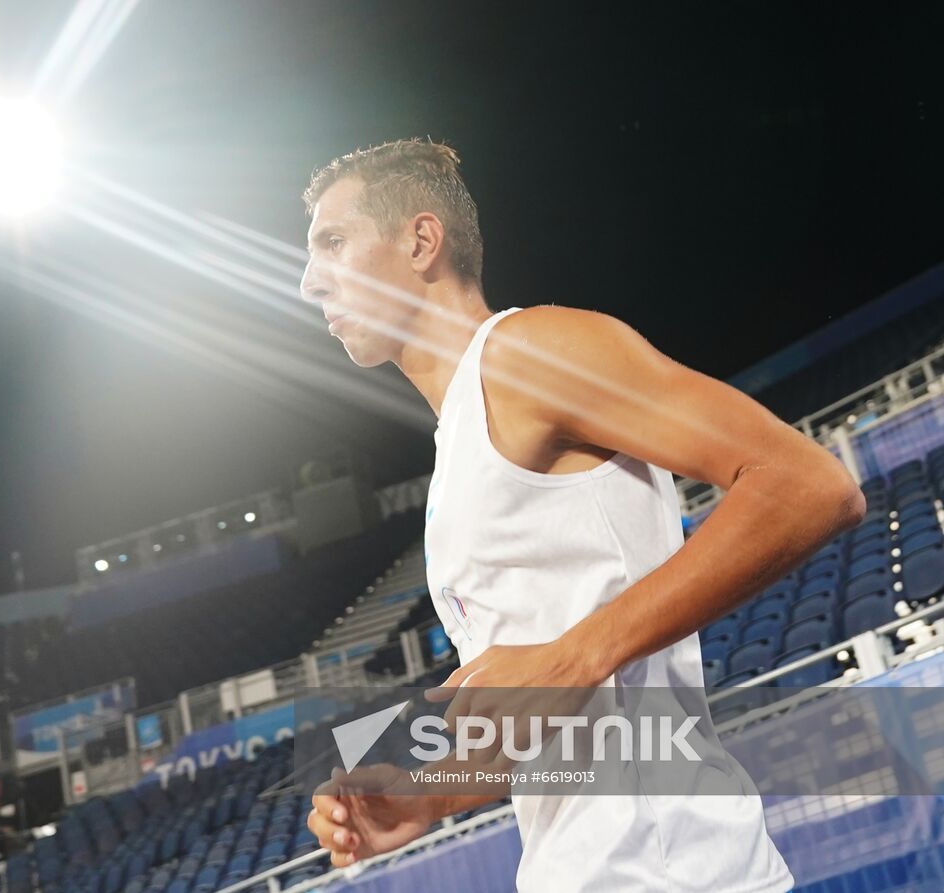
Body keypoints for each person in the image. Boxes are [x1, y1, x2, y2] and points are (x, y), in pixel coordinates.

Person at [299, 138, 865, 891]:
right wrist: (431, 794)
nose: (310, 282)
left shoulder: (527, 353)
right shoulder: (462, 435)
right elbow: (563, 715)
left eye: (332, 243)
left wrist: (573, 655)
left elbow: (810, 484)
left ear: (420, 240)